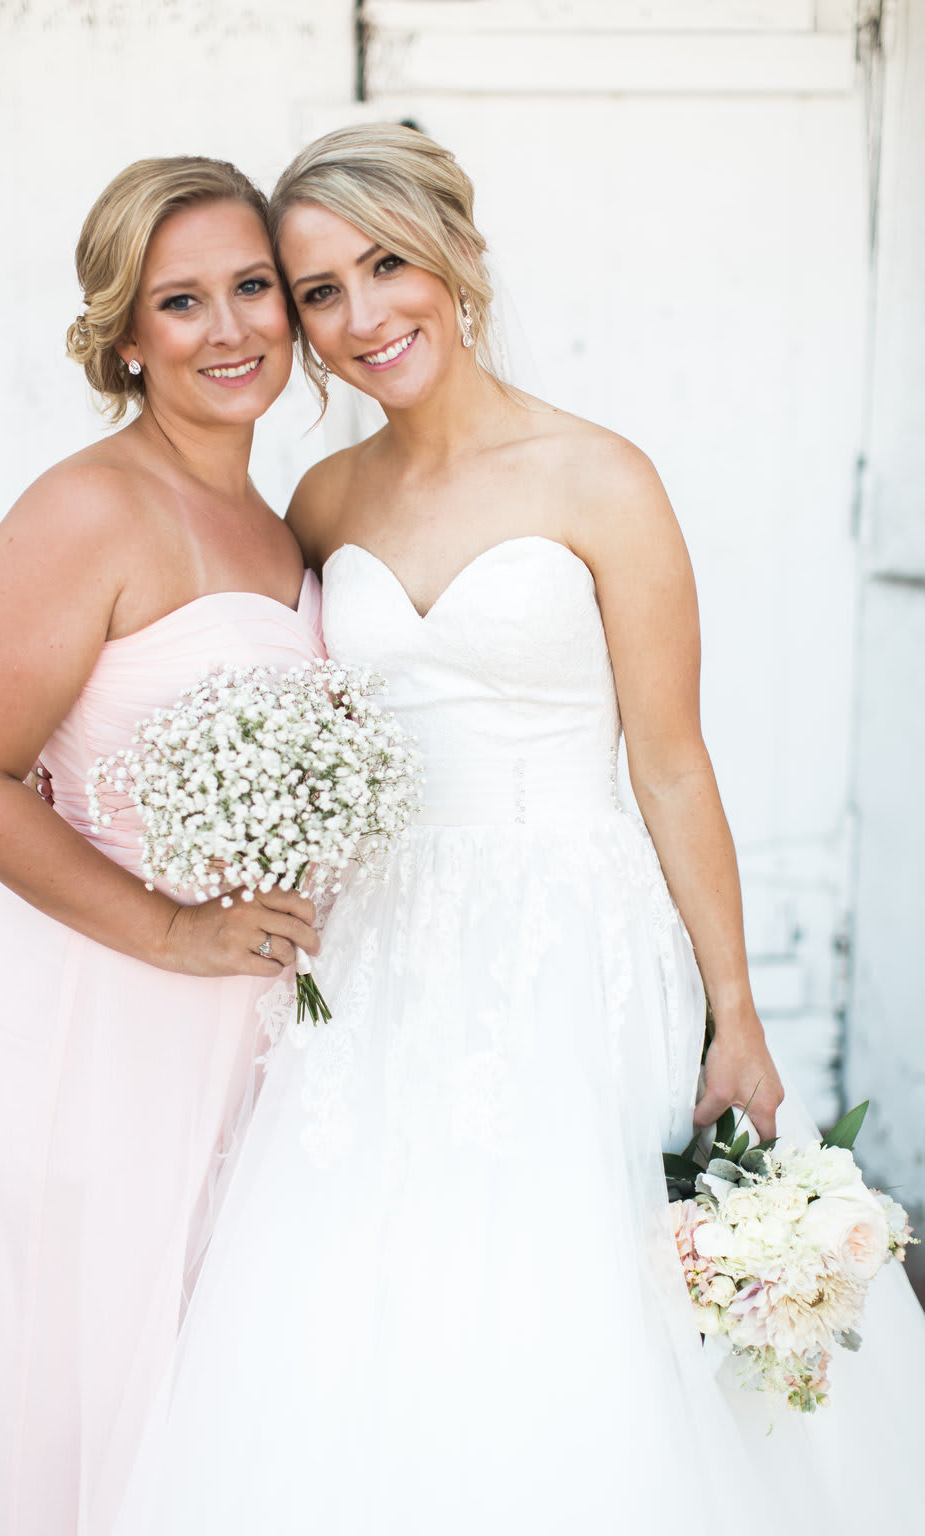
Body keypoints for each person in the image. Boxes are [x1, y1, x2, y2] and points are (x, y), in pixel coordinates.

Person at [112, 126, 925, 1534]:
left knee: (576, 1282)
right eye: (319, 292)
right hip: (377, 951)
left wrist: (737, 1013)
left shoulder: (602, 478)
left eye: (388, 264)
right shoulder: (324, 500)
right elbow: (305, 723)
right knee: (362, 1286)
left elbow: (671, 764)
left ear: (458, 259)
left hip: (574, 937)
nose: (363, 316)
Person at [0, 156, 325, 1536]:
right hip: (90, 1009)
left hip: (235, 1016)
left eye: (253, 287)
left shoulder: (278, 524)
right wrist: (172, 932)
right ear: (127, 335)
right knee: (82, 1384)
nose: (231, 329)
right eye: (182, 301)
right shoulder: (87, 508)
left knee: (200, 1387)